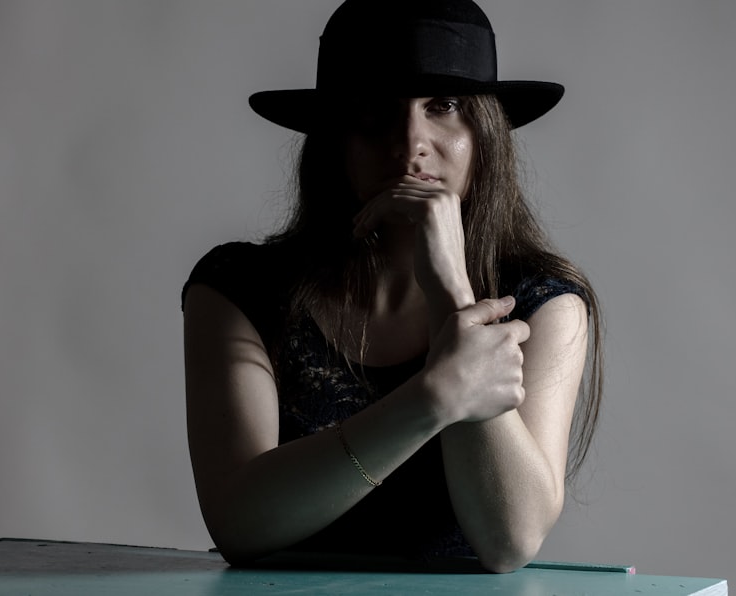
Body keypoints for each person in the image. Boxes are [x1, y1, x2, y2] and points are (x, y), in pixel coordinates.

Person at [181, 0, 603, 573]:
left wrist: (452, 293)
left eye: (444, 106)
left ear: (485, 133)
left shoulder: (545, 302)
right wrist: (434, 398)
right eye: (375, 110)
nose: (411, 144)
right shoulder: (239, 289)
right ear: (335, 138)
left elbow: (511, 541)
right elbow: (240, 524)